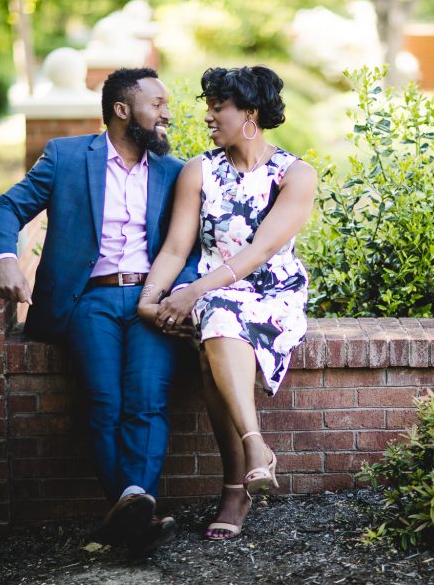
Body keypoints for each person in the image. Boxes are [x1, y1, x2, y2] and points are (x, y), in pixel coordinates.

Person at [0, 67, 199, 556]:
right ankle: (134, 508)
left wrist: (178, 291)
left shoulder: (175, 171)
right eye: (157, 103)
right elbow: (5, 207)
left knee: (148, 399)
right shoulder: (66, 157)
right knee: (104, 401)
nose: (167, 112)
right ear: (122, 111)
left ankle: (130, 509)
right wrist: (6, 258)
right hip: (89, 299)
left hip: (152, 298)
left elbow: (192, 247)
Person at [136, 65, 316, 541]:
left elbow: (260, 252)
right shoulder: (199, 170)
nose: (209, 117)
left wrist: (192, 292)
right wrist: (149, 300)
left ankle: (236, 484)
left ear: (250, 114)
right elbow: (176, 248)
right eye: (209, 107)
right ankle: (251, 458)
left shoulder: (295, 174)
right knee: (217, 321)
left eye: (219, 108)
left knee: (214, 316)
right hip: (218, 294)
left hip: (273, 290)